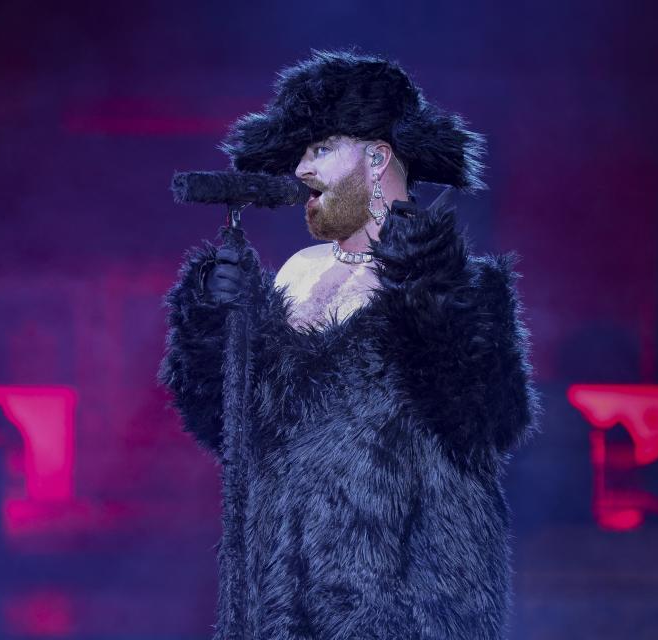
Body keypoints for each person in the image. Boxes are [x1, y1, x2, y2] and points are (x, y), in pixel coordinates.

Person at [159, 49, 542, 640]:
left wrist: (430, 293)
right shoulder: (293, 274)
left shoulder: (457, 282)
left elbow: (490, 421)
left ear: (375, 155)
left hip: (406, 608)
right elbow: (228, 428)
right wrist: (215, 320)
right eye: (300, 154)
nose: (302, 171)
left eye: (319, 149)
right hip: (283, 602)